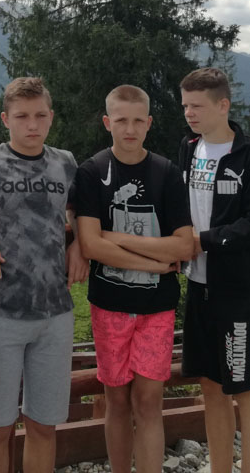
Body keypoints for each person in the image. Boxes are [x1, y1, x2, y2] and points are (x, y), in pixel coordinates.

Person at [0, 77, 88, 473]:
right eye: (22, 116)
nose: (32, 124)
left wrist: (79, 242)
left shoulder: (65, 162)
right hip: (0, 311)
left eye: (40, 115)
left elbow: (81, 210)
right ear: (5, 119)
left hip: (55, 313)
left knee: (44, 425)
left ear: (51, 117)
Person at [73, 84, 192, 473]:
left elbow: (183, 245)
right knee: (117, 402)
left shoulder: (166, 173)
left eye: (138, 121)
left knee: (149, 401)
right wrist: (154, 262)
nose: (130, 129)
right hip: (109, 305)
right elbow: (90, 245)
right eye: (121, 120)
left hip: (157, 308)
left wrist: (116, 238)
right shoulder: (92, 172)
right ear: (107, 122)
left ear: (149, 123)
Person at [179, 67, 250, 473]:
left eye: (197, 106)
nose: (189, 113)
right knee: (210, 387)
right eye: (185, 105)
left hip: (237, 290)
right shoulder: (188, 149)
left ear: (223, 105)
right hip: (197, 286)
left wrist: (203, 240)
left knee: (246, 388)